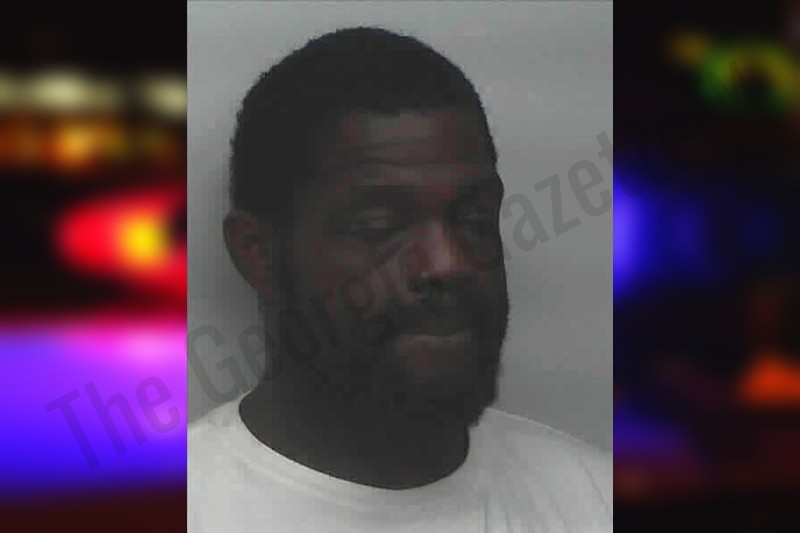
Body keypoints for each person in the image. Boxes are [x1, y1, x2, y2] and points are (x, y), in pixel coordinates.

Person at [189, 27, 612, 532]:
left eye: (474, 219)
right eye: (379, 226)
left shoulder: (594, 501)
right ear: (259, 254)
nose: (449, 262)